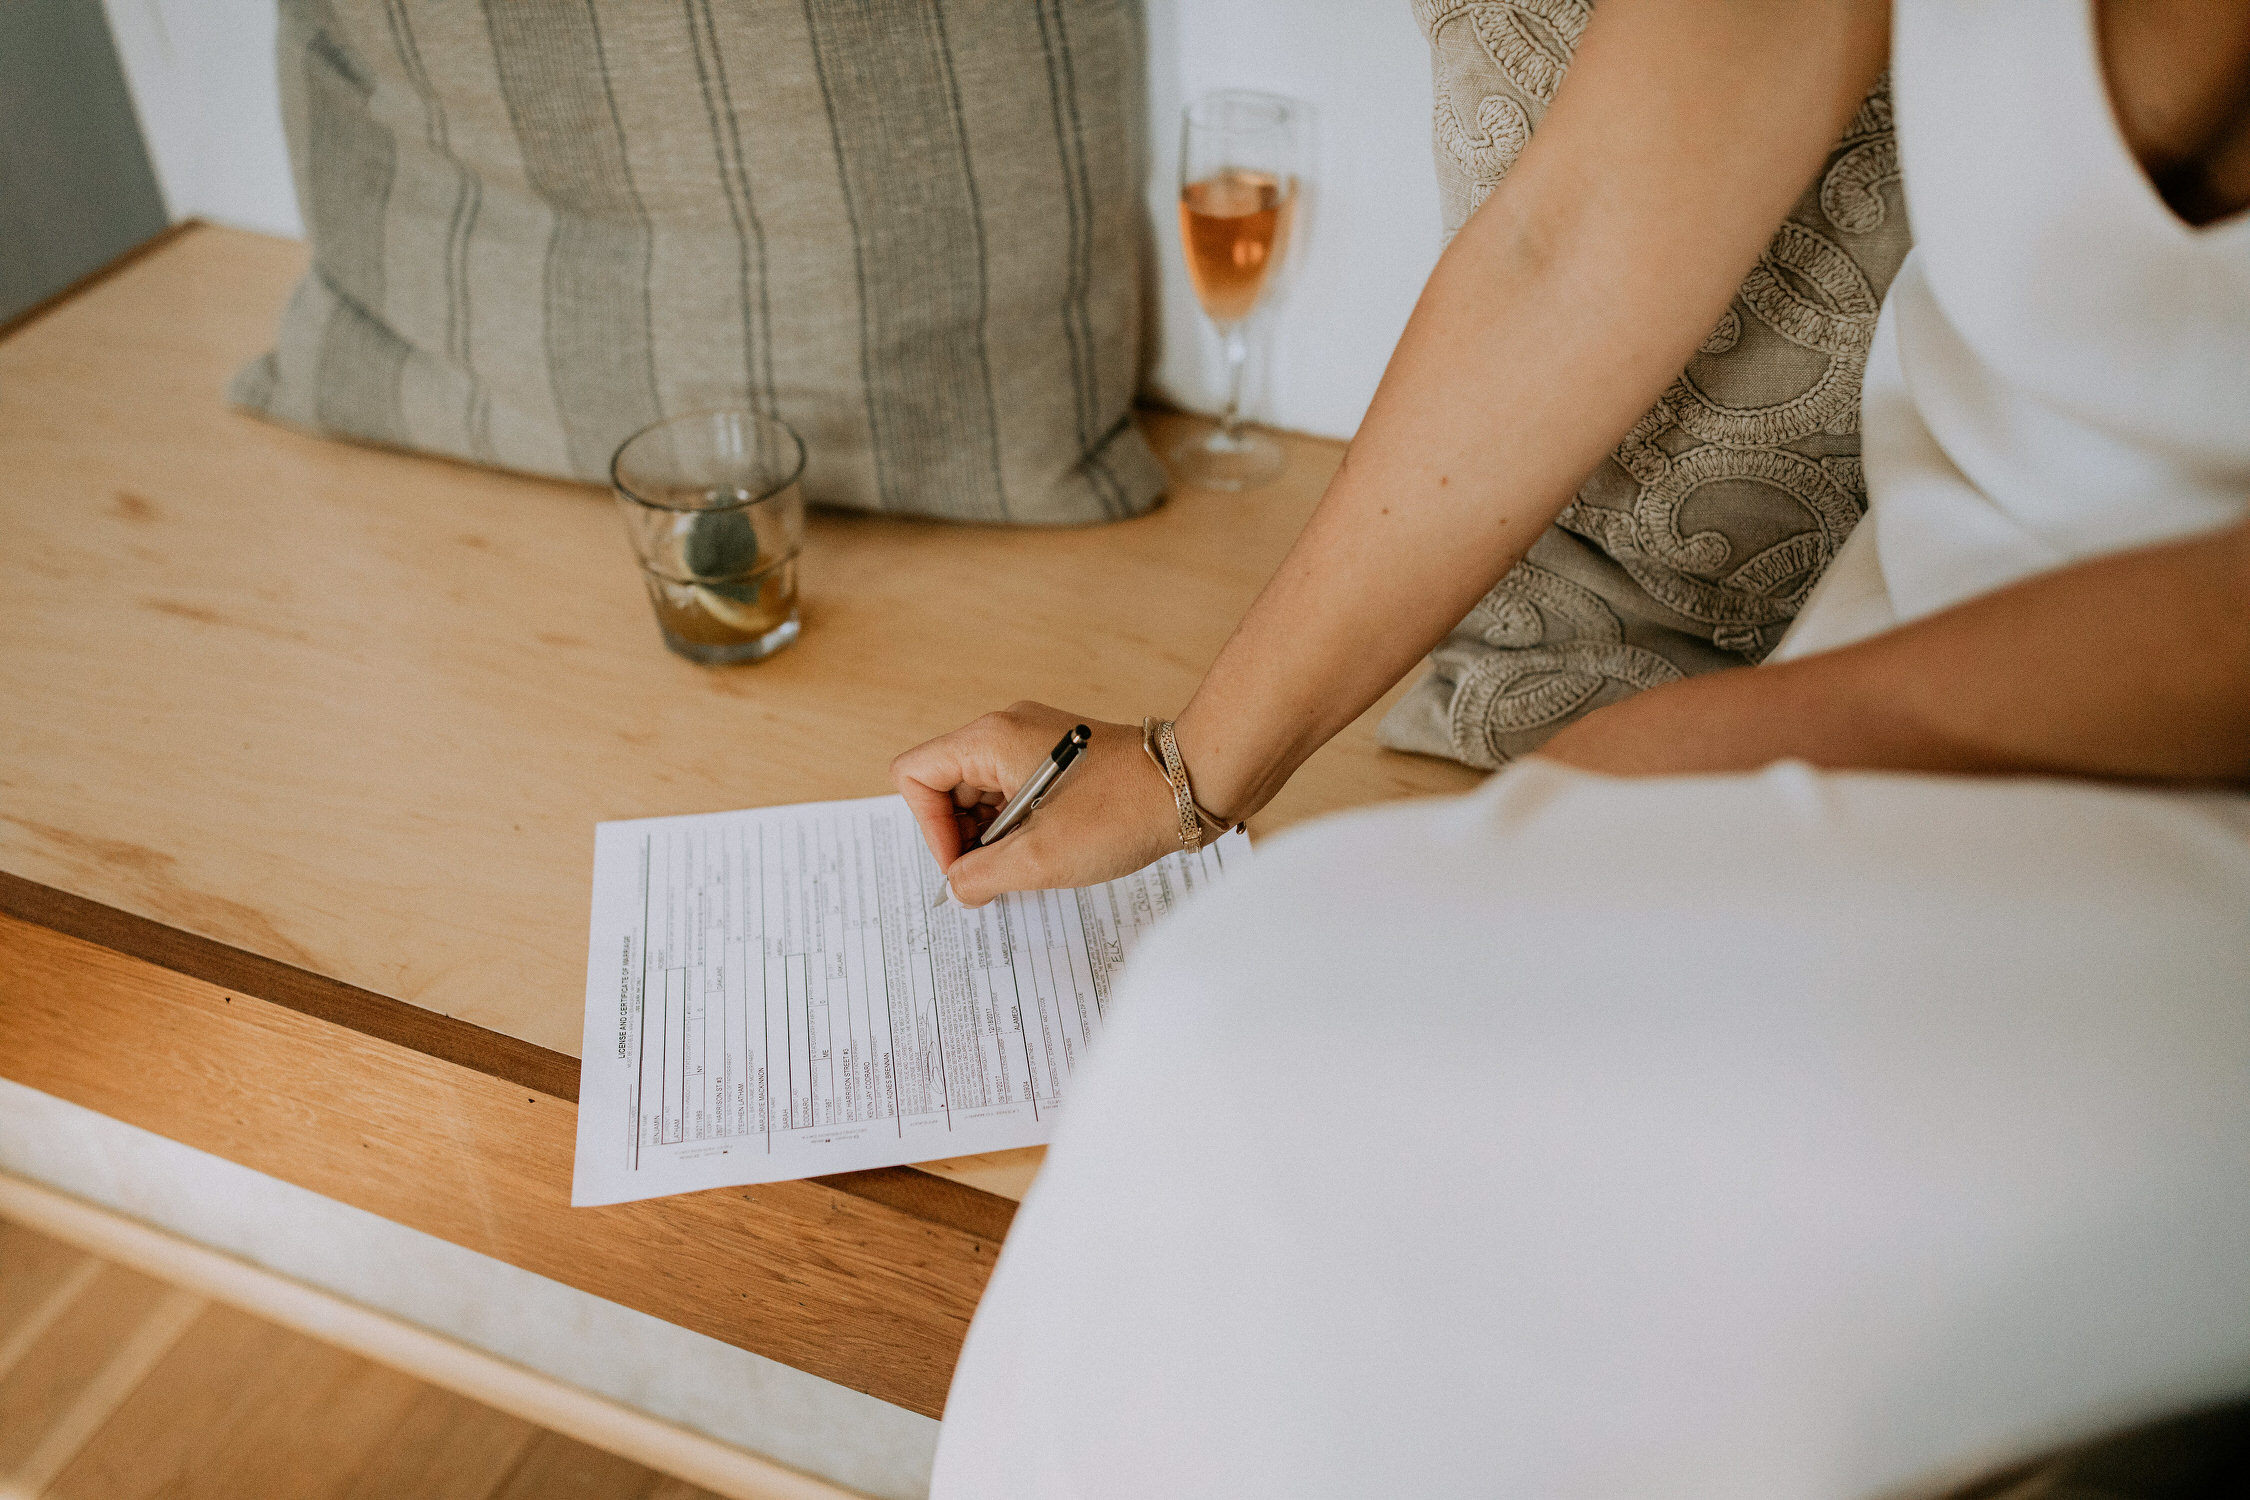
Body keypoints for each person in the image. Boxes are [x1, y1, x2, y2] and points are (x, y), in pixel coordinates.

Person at [894, 1, 2250, 1493]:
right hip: (1918, 615)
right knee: (1255, 1047)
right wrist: (1181, 765)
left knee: (1268, 1053)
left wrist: (1729, 740)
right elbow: (1571, 241)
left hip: (2174, 788)